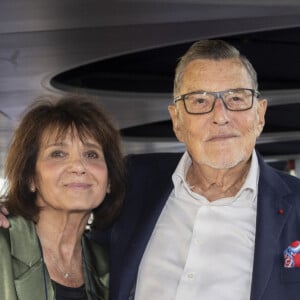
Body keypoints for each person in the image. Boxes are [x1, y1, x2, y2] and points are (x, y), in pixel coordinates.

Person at [2, 39, 300, 300]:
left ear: (259, 114)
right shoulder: (137, 184)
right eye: (199, 101)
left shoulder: (295, 205)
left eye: (236, 98)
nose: (220, 116)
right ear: (177, 120)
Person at [0, 95, 125, 300]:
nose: (78, 166)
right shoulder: (3, 246)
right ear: (30, 177)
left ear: (109, 181)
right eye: (58, 154)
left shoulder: (108, 264)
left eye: (91, 154)